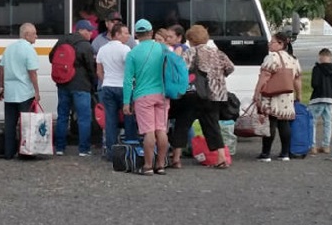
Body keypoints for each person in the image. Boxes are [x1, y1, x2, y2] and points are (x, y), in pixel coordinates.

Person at [169, 25, 234, 169]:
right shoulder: (218, 53)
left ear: (191, 39)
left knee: (182, 124)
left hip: (193, 94)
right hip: (215, 96)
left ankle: (176, 158)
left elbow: (182, 69)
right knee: (213, 126)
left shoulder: (191, 52)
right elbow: (230, 68)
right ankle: (221, 157)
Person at [123, 19, 170, 175]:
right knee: (161, 130)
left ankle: (148, 166)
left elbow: (128, 80)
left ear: (136, 34)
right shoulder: (163, 49)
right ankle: (161, 165)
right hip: (162, 95)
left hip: (143, 96)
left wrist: (125, 102)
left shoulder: (132, 53)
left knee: (148, 132)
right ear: (151, 32)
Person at [253, 31, 302, 162]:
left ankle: (266, 153)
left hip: (272, 95)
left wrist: (257, 92)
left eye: (272, 42)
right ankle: (285, 153)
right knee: (284, 123)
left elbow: (264, 77)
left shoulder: (272, 57)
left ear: (280, 44)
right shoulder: (293, 59)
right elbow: (297, 79)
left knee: (270, 123)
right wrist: (299, 95)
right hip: (287, 95)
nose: (269, 44)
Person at [50, 20, 97, 156]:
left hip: (63, 83)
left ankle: (59, 148)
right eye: (89, 31)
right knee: (84, 117)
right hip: (81, 86)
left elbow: (51, 57)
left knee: (63, 116)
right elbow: (90, 67)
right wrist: (93, 83)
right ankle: (84, 149)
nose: (91, 33)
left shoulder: (62, 40)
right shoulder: (85, 45)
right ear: (81, 30)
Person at [96, 23, 138, 160]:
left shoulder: (102, 49)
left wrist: (107, 80)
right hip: (124, 88)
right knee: (129, 119)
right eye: (125, 33)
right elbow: (131, 69)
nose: (128, 36)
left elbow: (99, 71)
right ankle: (130, 151)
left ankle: (111, 153)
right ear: (117, 34)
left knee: (110, 120)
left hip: (107, 87)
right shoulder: (125, 49)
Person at [0, 23, 41, 160]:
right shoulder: (29, 50)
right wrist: (36, 91)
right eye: (34, 33)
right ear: (26, 35)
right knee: (26, 124)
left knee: (10, 124)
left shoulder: (9, 49)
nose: (36, 36)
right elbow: (32, 72)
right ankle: (25, 152)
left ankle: (8, 152)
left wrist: (1, 87)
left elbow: (2, 70)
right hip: (24, 93)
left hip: (10, 92)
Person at [308, 48, 332, 155]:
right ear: (330, 57)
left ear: (320, 57)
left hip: (317, 98)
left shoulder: (317, 68)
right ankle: (326, 146)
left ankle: (312, 146)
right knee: (328, 123)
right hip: (330, 98)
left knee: (312, 122)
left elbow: (314, 84)